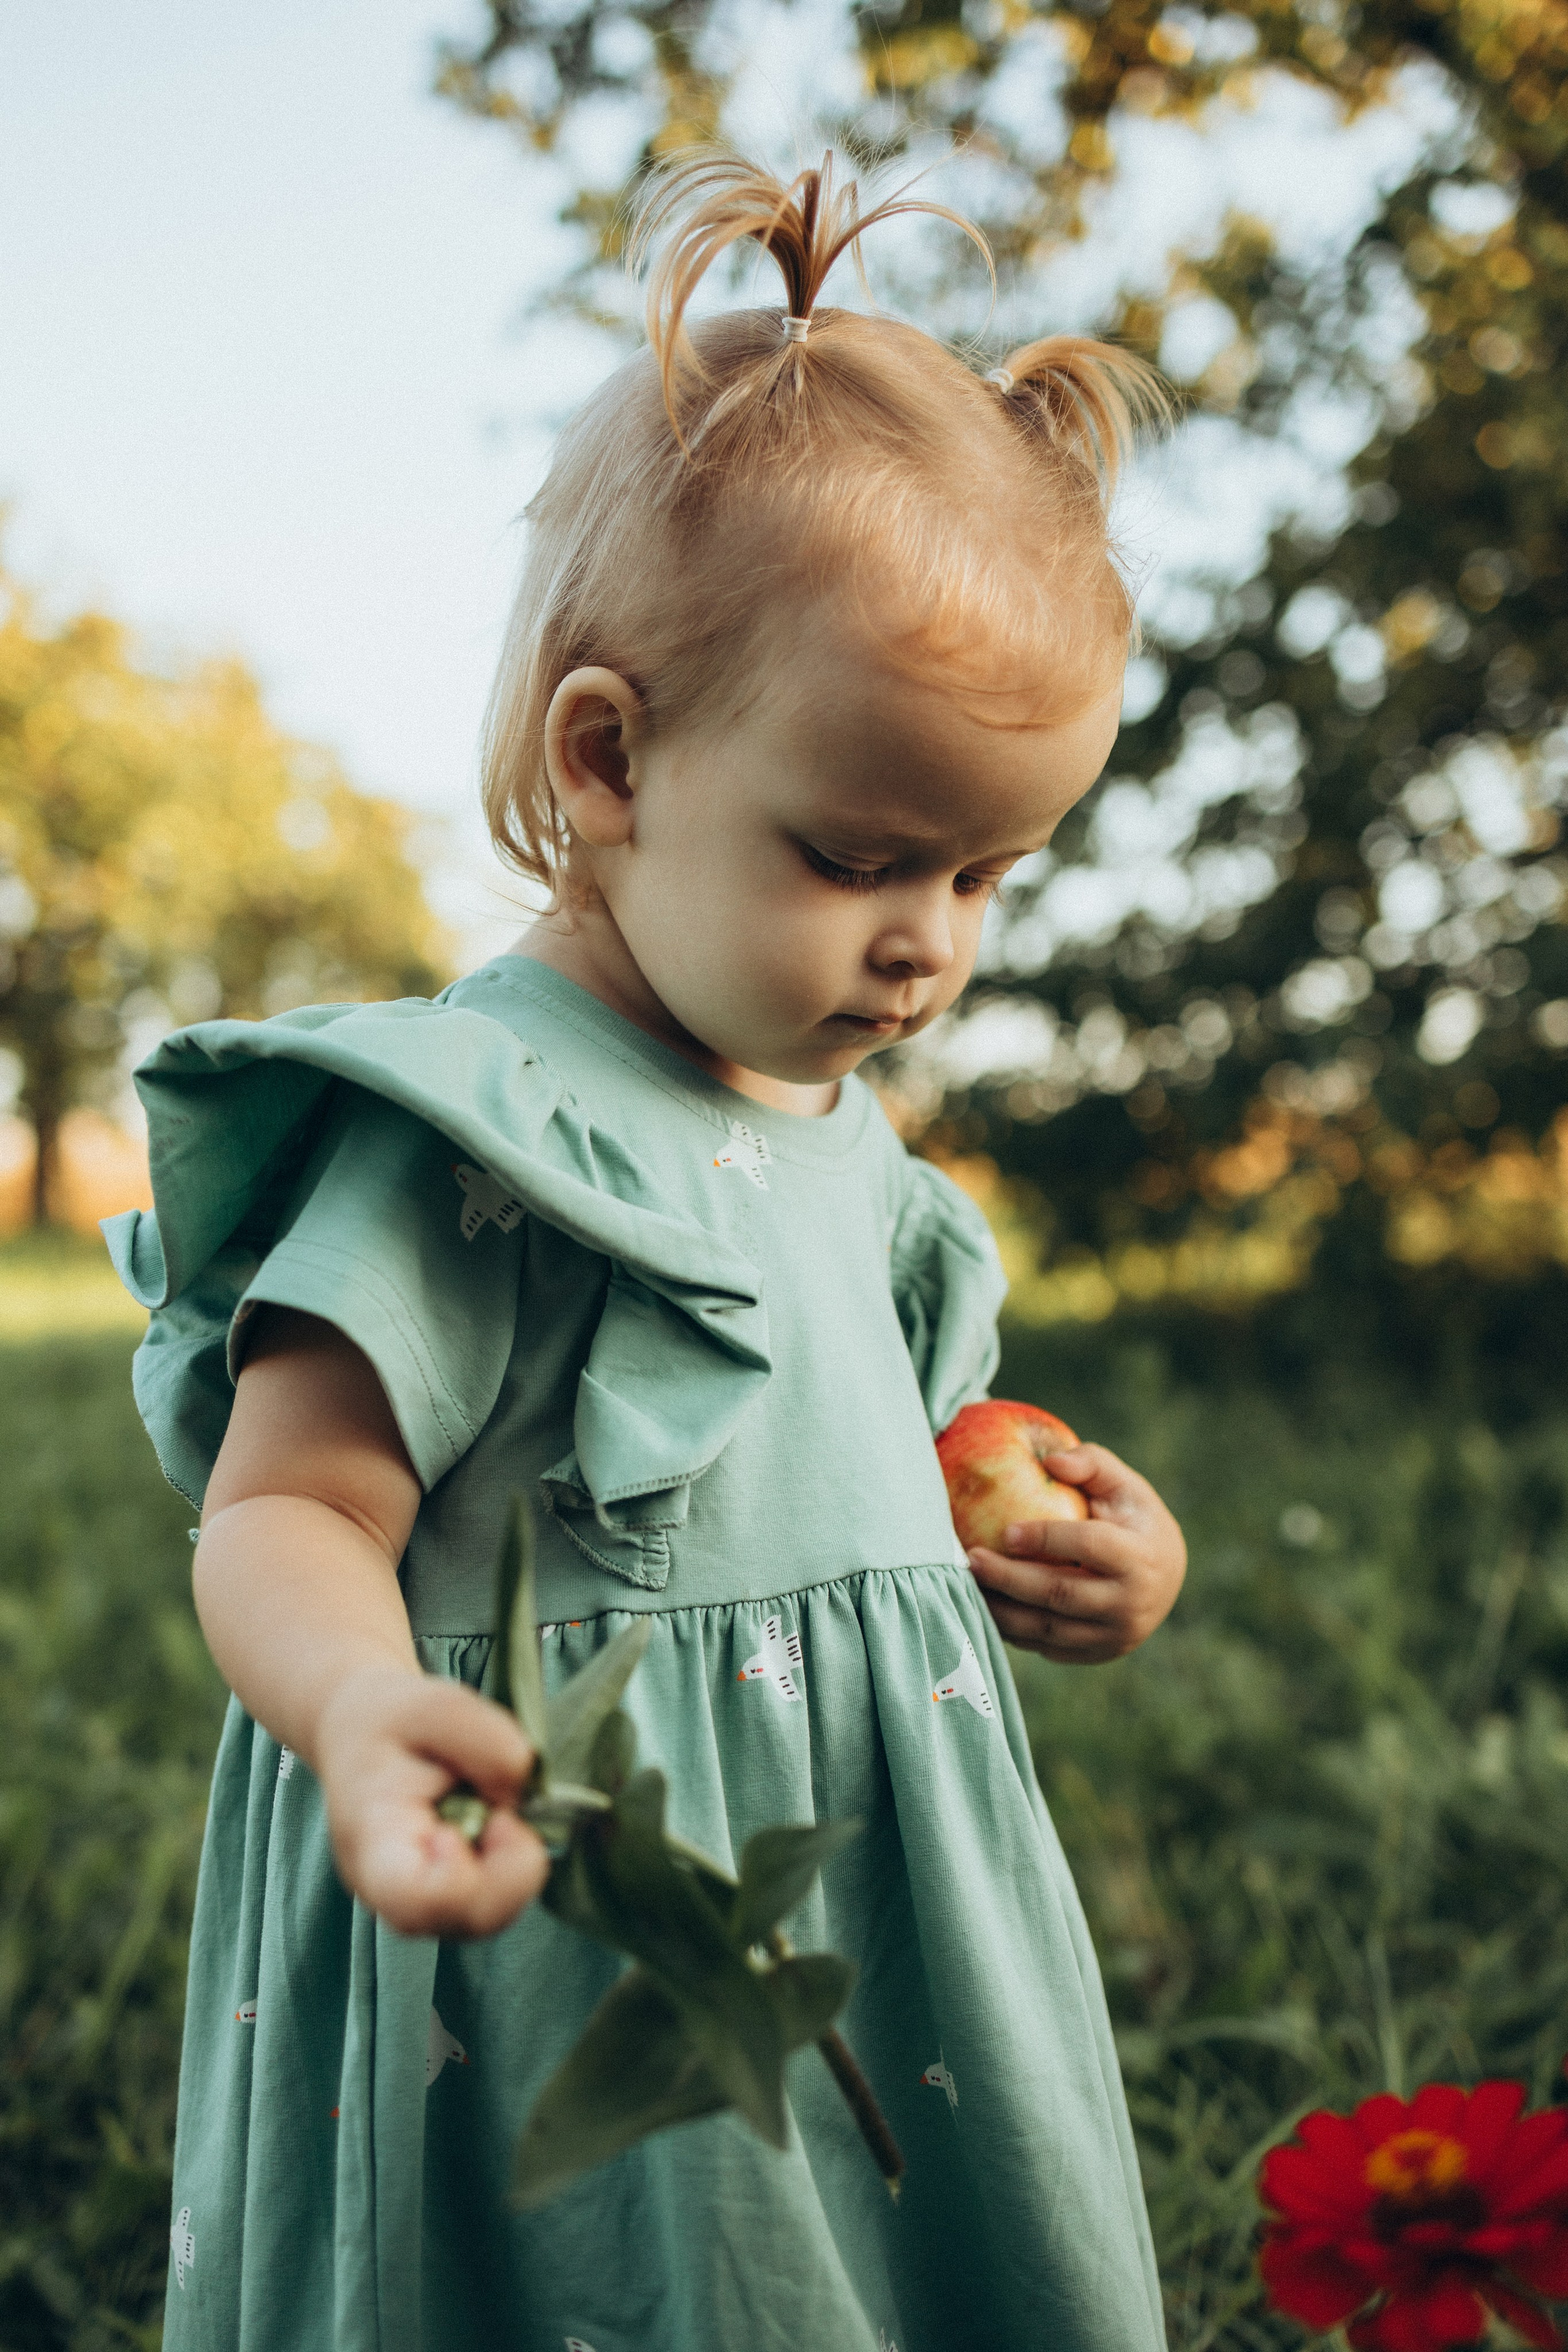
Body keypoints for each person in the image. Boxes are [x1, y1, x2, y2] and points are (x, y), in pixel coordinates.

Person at [108, 149, 1187, 2352]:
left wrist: (1088, 1545)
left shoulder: (854, 1150)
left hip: (876, 1935)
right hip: (554, 1935)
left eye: (987, 877)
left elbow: (907, 1443)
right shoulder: (469, 1138)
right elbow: (286, 1507)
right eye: (864, 855)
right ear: (611, 758)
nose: (930, 946)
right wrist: (366, 1703)